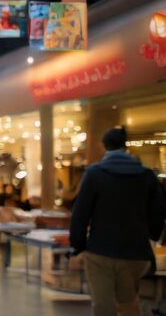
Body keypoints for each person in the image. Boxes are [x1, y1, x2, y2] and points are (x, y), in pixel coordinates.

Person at [70, 127, 166, 316]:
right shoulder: (146, 175)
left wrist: (78, 245)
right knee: (129, 302)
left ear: (103, 146)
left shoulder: (95, 173)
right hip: (136, 251)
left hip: (100, 251)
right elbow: (158, 211)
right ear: (125, 146)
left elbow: (80, 213)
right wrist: (152, 236)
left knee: (103, 304)